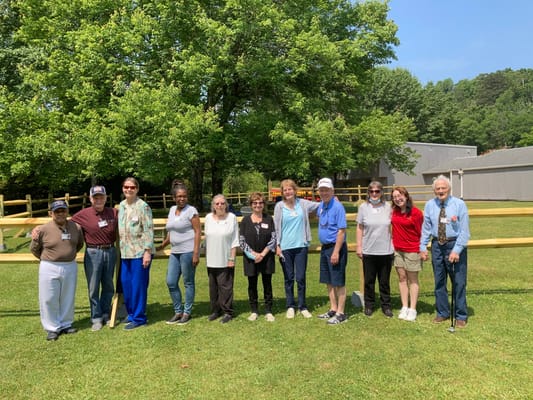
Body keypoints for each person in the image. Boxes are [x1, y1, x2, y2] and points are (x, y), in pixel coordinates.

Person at [420, 175, 470, 328]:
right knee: (439, 281)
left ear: (449, 189)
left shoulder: (459, 204)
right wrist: (422, 247)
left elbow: (465, 232)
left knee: (458, 282)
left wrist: (456, 250)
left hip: (454, 245)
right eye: (437, 188)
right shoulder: (430, 205)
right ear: (434, 190)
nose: (441, 191)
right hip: (437, 246)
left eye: (443, 188)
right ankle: (442, 312)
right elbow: (426, 228)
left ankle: (460, 315)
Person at [30, 200, 84, 341]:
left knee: (67, 296)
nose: (60, 214)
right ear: (50, 213)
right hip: (49, 266)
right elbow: (34, 249)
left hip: (69, 265)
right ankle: (52, 328)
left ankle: (66, 324)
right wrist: (48, 258)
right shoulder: (42, 229)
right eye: (57, 211)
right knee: (48, 298)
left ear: (67, 212)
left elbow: (79, 245)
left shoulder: (75, 227)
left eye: (63, 211)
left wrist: (67, 254)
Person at [71, 185, 118, 331]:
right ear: (91, 199)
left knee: (108, 285)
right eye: (95, 197)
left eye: (101, 197)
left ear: (105, 198)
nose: (99, 200)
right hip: (93, 252)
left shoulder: (113, 212)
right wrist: (39, 228)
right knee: (93, 286)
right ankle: (96, 317)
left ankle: (105, 312)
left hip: (110, 251)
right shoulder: (83, 214)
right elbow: (64, 223)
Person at [273, 179, 319, 319]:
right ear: (282, 192)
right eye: (285, 190)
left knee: (300, 277)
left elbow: (320, 205)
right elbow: (275, 227)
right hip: (285, 247)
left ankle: (302, 306)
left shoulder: (303, 204)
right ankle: (290, 306)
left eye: (290, 189)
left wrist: (333, 200)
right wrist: (277, 246)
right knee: (289, 278)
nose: (288, 192)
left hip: (301, 246)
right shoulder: (279, 206)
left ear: (295, 190)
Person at [157, 183, 201, 325]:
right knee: (171, 281)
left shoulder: (191, 211)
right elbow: (171, 232)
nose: (182, 199)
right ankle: (178, 311)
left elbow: (198, 232)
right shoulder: (172, 210)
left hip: (188, 252)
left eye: (184, 196)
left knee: (188, 282)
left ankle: (187, 312)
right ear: (174, 198)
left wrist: (196, 253)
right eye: (179, 196)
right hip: (175, 252)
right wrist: (162, 245)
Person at [118, 177, 154, 330]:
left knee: (138, 286)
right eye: (126, 187)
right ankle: (131, 314)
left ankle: (139, 317)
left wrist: (147, 252)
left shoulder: (143, 207)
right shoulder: (121, 206)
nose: (129, 190)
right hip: (125, 253)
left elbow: (148, 230)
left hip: (139, 253)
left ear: (137, 189)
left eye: (132, 187)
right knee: (126, 285)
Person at [356, 181, 394, 318]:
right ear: (368, 193)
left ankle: (386, 306)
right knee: (369, 281)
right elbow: (360, 228)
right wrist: (359, 246)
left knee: (384, 281)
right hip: (369, 250)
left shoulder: (388, 207)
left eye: (377, 191)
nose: (374, 194)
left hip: (386, 250)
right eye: (371, 191)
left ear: (381, 192)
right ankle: (369, 305)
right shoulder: (363, 208)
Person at [239, 192, 277, 322]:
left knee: (267, 284)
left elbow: (273, 238)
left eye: (260, 202)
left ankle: (268, 310)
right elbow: (242, 241)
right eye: (255, 203)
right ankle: (254, 310)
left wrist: (263, 254)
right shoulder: (245, 221)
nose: (258, 205)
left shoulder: (268, 219)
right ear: (251, 205)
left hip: (266, 257)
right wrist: (254, 255)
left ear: (263, 204)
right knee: (252, 285)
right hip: (251, 259)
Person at [316, 178, 348, 325]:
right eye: (321, 190)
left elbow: (341, 231)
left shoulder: (338, 207)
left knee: (338, 281)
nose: (324, 192)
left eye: (326, 190)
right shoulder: (322, 205)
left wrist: (336, 252)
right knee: (328, 281)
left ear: (332, 190)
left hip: (336, 248)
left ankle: (341, 313)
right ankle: (333, 308)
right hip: (325, 248)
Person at [204, 194, 240, 324]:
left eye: (222, 203)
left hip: (225, 258)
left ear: (226, 205)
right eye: (217, 203)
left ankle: (228, 312)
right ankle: (215, 310)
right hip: (211, 258)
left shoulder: (232, 218)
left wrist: (232, 258)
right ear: (213, 205)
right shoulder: (208, 218)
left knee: (225, 287)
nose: (219, 206)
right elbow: (207, 238)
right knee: (213, 288)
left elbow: (235, 240)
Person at [391, 186, 424, 322]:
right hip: (398, 250)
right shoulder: (394, 212)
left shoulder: (416, 213)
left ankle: (413, 309)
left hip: (412, 250)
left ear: (406, 196)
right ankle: (404, 306)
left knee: (413, 279)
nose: (398, 199)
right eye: (394, 197)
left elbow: (422, 232)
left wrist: (422, 249)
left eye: (400, 195)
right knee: (402, 278)